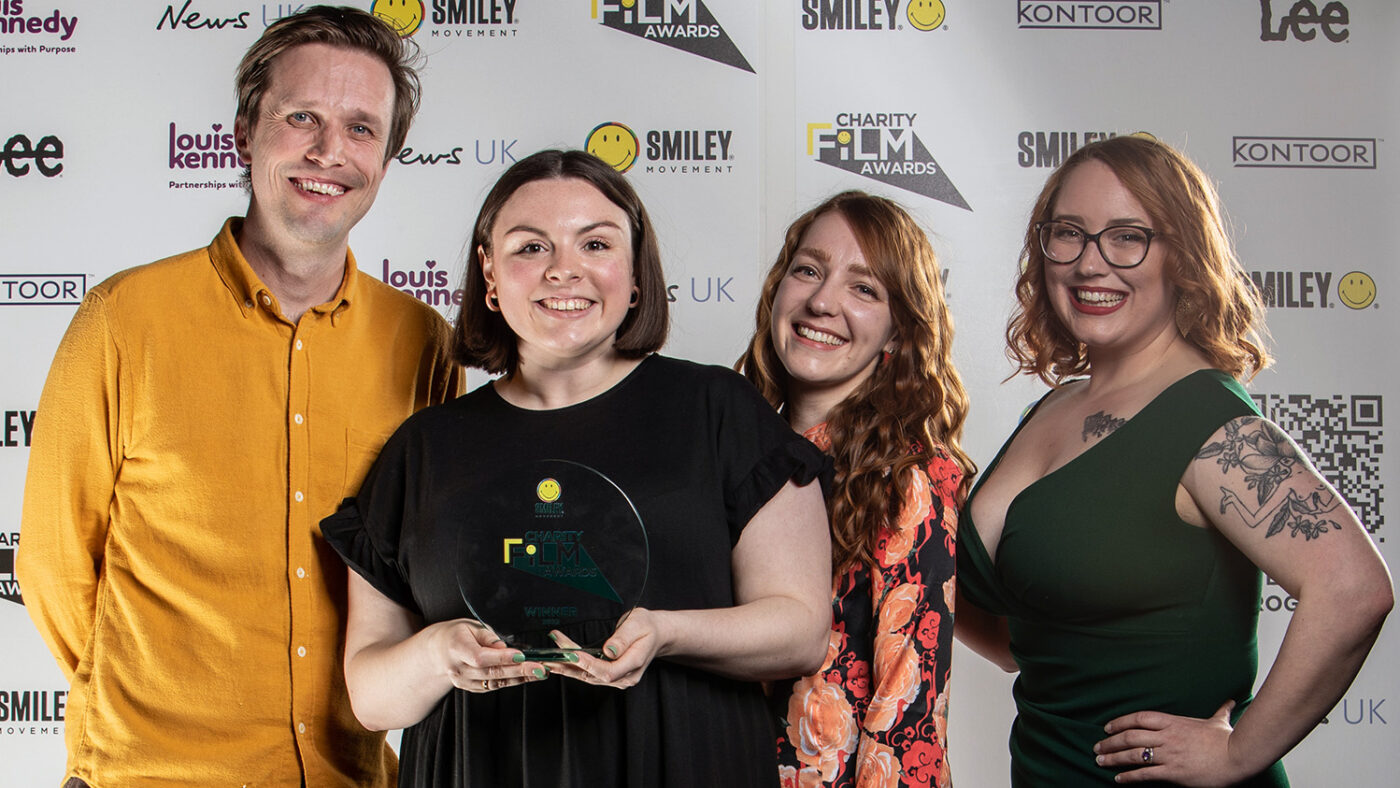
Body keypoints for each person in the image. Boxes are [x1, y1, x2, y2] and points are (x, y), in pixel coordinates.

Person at [17, 7, 461, 786]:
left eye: (362, 129)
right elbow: (57, 567)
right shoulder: (123, 321)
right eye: (302, 118)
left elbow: (414, 566)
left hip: (346, 775)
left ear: (386, 162)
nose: (330, 151)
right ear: (243, 134)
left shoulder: (422, 341)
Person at [320, 148, 832, 787]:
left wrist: (665, 633)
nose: (565, 271)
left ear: (635, 271)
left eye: (595, 244)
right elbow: (370, 697)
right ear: (489, 273)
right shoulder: (423, 448)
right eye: (531, 248)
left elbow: (801, 628)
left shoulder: (716, 411)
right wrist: (434, 655)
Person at [955, 135, 1393, 786]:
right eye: (1069, 233)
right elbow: (1023, 641)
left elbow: (1355, 588)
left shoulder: (1205, 421)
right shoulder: (1051, 410)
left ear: (1181, 256)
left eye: (1127, 237)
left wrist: (1240, 752)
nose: (1090, 263)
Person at [737, 191, 975, 788]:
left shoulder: (910, 477)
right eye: (809, 271)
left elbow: (907, 714)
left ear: (898, 332)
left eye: (864, 288)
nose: (822, 301)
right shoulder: (728, 452)